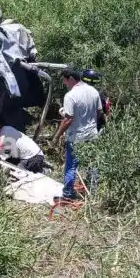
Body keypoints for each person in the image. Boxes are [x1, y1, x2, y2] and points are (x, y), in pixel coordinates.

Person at [51, 67, 102, 201]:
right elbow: (99, 112)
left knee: (71, 166)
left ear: (71, 79)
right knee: (92, 164)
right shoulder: (93, 91)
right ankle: (93, 192)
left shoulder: (70, 95)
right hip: (92, 135)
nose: (64, 84)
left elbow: (68, 119)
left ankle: (68, 194)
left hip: (76, 137)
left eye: (65, 81)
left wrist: (56, 136)